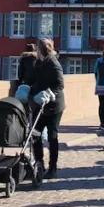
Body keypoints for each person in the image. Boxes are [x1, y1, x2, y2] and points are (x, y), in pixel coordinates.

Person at [29, 39, 65, 178]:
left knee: (52, 137)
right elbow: (34, 79)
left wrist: (49, 94)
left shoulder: (54, 63)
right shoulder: (38, 62)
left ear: (40, 50)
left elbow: (60, 85)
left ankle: (52, 168)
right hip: (40, 104)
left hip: (54, 106)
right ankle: (39, 165)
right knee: (35, 134)